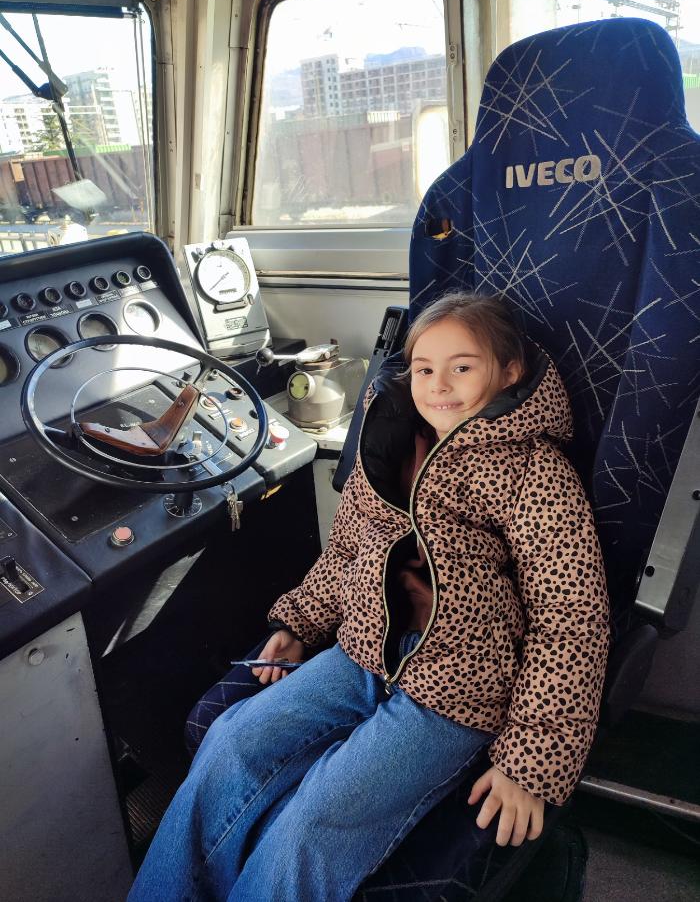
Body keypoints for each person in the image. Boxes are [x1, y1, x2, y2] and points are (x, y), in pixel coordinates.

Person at [128, 292, 611, 902]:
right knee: (230, 744)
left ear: (510, 372)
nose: (439, 386)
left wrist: (532, 763)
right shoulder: (390, 442)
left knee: (312, 821)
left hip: (456, 690)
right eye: (424, 368)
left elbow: (572, 620)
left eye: (462, 367)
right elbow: (349, 549)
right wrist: (301, 623)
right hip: (359, 652)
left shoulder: (534, 472)